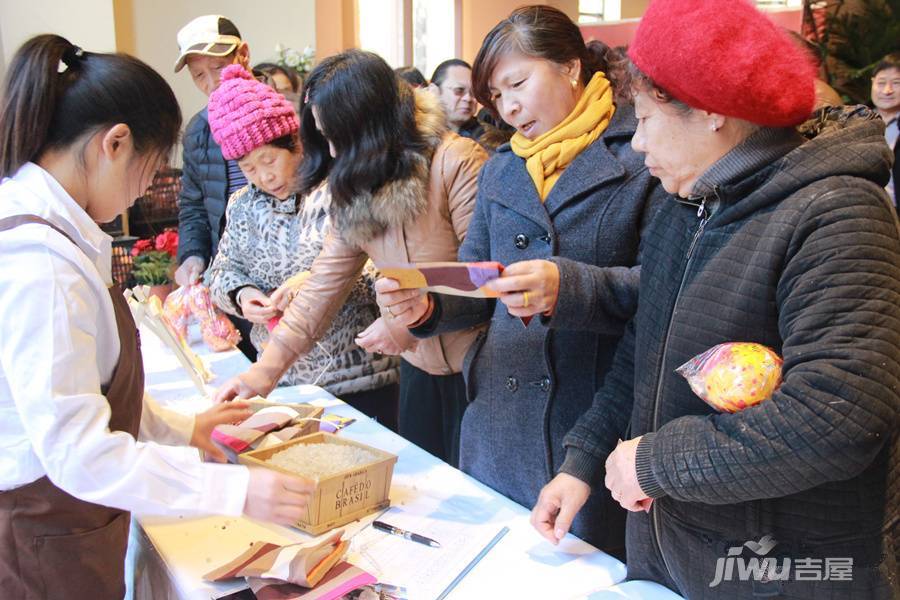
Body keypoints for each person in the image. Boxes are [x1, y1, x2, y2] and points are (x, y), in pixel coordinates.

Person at [531, 1, 899, 598]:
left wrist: (654, 463)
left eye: (646, 118)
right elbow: (641, 352)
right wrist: (584, 460)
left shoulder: (835, 213)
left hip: (776, 570)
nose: (637, 145)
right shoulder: (689, 205)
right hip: (673, 552)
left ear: (709, 113)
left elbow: (840, 415)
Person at [0, 35, 314, 600]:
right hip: (40, 531)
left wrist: (183, 430)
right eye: (151, 167)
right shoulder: (40, 264)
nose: (148, 186)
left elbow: (88, 389)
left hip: (59, 521)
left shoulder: (51, 233)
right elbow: (78, 450)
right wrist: (232, 490)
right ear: (114, 144)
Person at [377, 5, 666, 557]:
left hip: (591, 420)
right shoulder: (504, 166)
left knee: (582, 572)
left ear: (570, 67)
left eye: (518, 84)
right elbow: (480, 281)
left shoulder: (642, 149)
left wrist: (571, 286)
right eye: (496, 94)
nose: (508, 107)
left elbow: (665, 288)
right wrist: (429, 308)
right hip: (499, 417)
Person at [215, 50, 488, 467]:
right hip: (418, 368)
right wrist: (262, 374)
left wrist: (416, 316)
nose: (332, 150)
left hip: (479, 368)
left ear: (371, 120)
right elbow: (322, 287)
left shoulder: (456, 162)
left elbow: (485, 282)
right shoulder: (358, 181)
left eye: (337, 135)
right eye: (323, 137)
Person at [205, 65, 400, 428]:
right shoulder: (243, 206)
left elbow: (382, 265)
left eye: (269, 160)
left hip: (359, 375)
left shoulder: (340, 191)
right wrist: (242, 294)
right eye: (248, 168)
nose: (264, 176)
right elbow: (220, 271)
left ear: (295, 141)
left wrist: (309, 283)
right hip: (282, 381)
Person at [171, 14, 257, 360]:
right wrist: (192, 255)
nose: (212, 84)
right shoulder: (199, 131)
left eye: (219, 68)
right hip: (230, 280)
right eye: (199, 76)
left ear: (243, 54)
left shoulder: (281, 113)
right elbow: (192, 205)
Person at [428, 59, 484, 141]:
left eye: (473, 93)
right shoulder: (415, 136)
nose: (468, 99)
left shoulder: (488, 139)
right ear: (433, 91)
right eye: (459, 90)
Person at [871, 53, 899, 205]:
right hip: (867, 210)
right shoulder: (854, 122)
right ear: (872, 83)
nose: (887, 90)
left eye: (896, 83)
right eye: (881, 83)